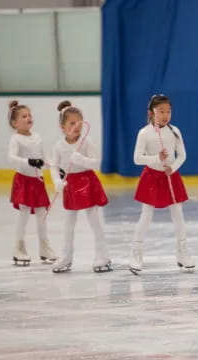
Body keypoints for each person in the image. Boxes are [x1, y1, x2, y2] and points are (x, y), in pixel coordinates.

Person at [130, 94, 195, 274]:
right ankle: (136, 253)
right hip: (151, 177)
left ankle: (182, 252)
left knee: (178, 214)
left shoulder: (175, 131)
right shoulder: (144, 133)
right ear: (151, 113)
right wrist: (156, 158)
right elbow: (137, 158)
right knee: (147, 215)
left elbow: (182, 155)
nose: (165, 115)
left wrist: (172, 168)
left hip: (170, 177)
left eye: (168, 111)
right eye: (161, 112)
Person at [51, 100, 111, 273]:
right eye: (72, 123)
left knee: (94, 221)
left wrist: (82, 160)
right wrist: (56, 181)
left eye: (79, 122)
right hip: (70, 185)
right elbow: (54, 166)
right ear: (62, 126)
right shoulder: (59, 146)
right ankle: (66, 257)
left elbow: (97, 162)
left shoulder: (86, 142)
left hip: (87, 183)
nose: (77, 126)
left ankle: (102, 255)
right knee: (69, 224)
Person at [8, 100, 56, 266]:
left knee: (42, 216)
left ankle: (45, 248)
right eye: (24, 116)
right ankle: (19, 248)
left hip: (38, 181)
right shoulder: (16, 138)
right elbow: (11, 158)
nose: (28, 118)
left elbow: (44, 157)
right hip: (23, 181)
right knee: (24, 215)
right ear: (15, 123)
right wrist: (29, 161)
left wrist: (55, 167)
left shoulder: (37, 136)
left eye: (29, 115)